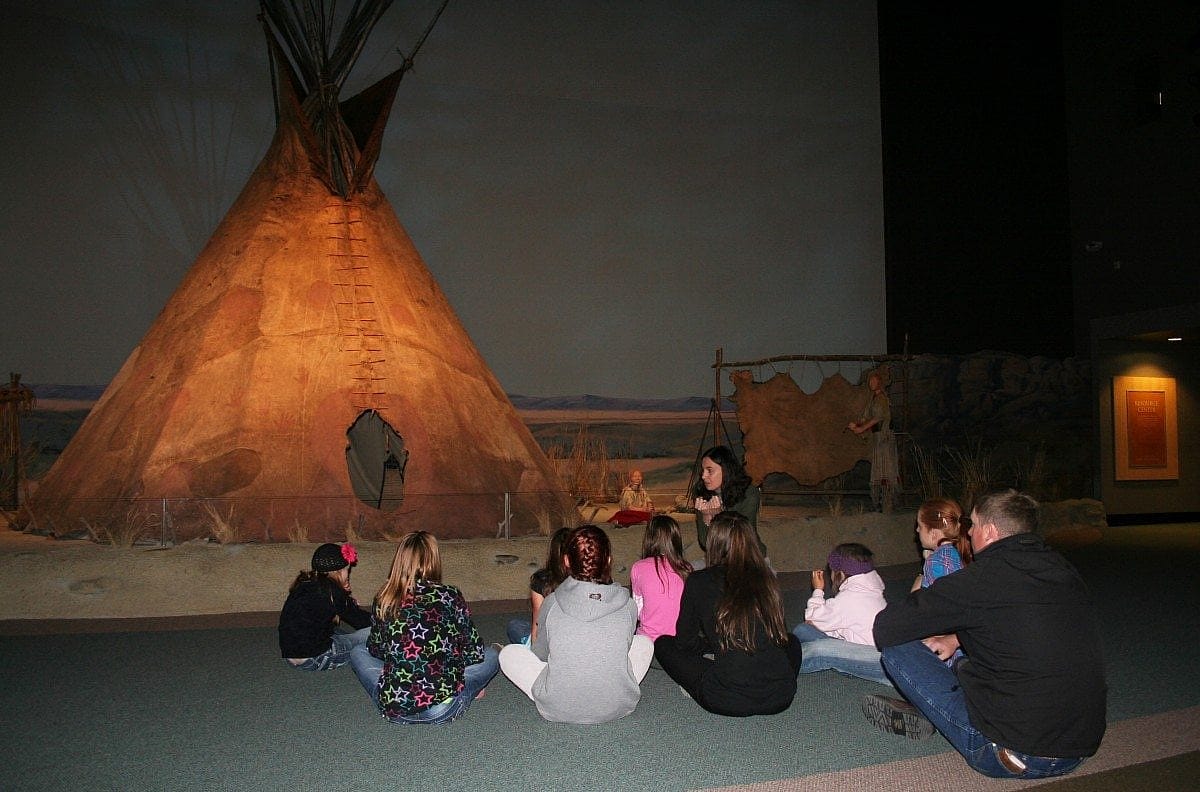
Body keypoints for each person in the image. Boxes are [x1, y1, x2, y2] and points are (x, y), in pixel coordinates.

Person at [865, 489, 1107, 779]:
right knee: (981, 652)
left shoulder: (979, 580)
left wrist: (921, 584)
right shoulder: (1064, 571)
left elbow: (887, 627)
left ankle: (934, 711)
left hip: (1011, 753)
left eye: (974, 525)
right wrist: (955, 638)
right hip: (1080, 746)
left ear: (990, 531)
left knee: (899, 649)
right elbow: (1023, 626)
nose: (968, 532)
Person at [498, 524, 653, 724]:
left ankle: (562, 692)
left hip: (558, 708)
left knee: (509, 654)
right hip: (617, 706)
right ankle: (615, 692)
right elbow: (624, 649)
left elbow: (541, 655)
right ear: (608, 560)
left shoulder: (551, 603)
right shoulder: (628, 605)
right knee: (644, 643)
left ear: (566, 561)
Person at [655, 512, 801, 716]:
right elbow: (779, 637)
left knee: (663, 644)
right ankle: (729, 653)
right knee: (793, 642)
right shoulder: (767, 578)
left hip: (725, 698)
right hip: (781, 696)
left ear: (714, 543)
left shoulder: (699, 581)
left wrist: (711, 645)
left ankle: (721, 656)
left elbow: (685, 643)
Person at [350, 531, 498, 725]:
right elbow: (473, 650)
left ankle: (392, 689)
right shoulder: (450, 595)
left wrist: (403, 655)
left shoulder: (384, 597)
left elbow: (377, 649)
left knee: (358, 651)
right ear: (433, 560)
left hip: (396, 707)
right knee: (492, 654)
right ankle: (467, 690)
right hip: (440, 709)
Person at [791, 543, 890, 685]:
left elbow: (813, 618)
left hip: (877, 662)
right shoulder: (869, 588)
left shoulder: (850, 598)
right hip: (863, 647)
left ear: (841, 574)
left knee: (820, 650)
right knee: (803, 630)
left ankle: (780, 666)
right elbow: (841, 624)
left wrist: (818, 590)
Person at [277, 542, 370, 670]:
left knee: (339, 634)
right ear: (338, 571)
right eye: (347, 570)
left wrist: (346, 599)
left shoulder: (305, 583)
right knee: (368, 635)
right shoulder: (333, 591)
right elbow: (359, 620)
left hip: (291, 654)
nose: (348, 574)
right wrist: (383, 622)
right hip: (315, 658)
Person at [910, 497, 973, 665]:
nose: (917, 530)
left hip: (946, 654)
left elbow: (920, 607)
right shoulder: (959, 552)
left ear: (934, 533)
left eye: (920, 526)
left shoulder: (937, 562)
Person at [691, 445, 765, 556]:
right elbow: (705, 543)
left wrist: (719, 517)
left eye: (709, 471)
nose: (703, 476)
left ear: (726, 470)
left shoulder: (748, 493)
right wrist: (706, 516)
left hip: (749, 557)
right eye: (703, 471)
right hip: (718, 558)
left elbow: (742, 538)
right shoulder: (700, 492)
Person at [630, 515, 692, 642]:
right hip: (679, 640)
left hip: (648, 641)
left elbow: (637, 610)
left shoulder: (638, 567)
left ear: (649, 538)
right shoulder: (686, 569)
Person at [505, 526, 571, 644]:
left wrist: (535, 650)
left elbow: (538, 625)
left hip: (553, 642)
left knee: (514, 626)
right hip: (582, 640)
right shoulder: (590, 579)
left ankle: (523, 648)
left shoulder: (542, 581)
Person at [847, 372, 899, 511]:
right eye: (870, 381)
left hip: (884, 437)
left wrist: (861, 428)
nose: (871, 383)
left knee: (885, 469)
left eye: (874, 381)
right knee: (879, 469)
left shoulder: (881, 399)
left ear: (880, 382)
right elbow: (867, 416)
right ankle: (880, 503)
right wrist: (857, 425)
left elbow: (878, 417)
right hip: (878, 437)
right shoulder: (873, 399)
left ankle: (887, 502)